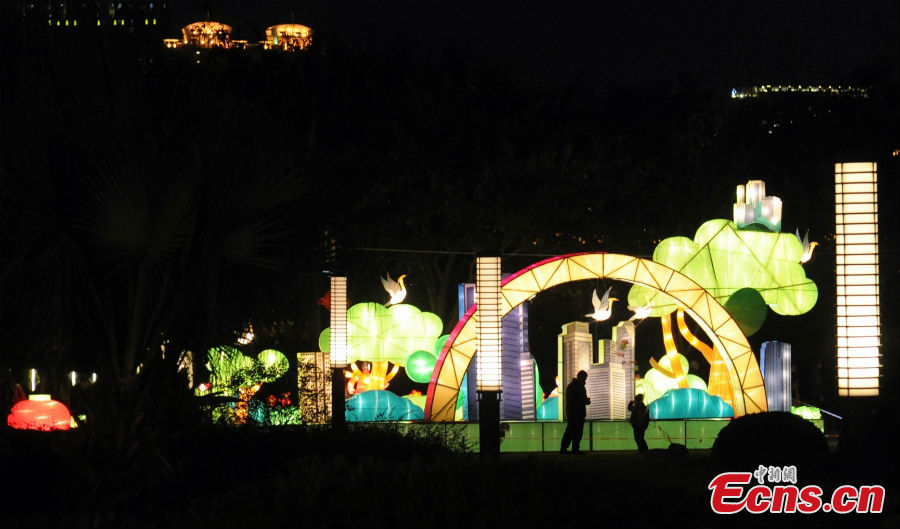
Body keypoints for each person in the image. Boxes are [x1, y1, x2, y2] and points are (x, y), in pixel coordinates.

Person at [560, 370, 590, 454]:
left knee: (571, 431)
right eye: (584, 378)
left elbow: (574, 400)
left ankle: (566, 449)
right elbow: (576, 400)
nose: (585, 380)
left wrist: (584, 401)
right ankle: (573, 449)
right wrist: (585, 401)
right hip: (576, 413)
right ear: (580, 377)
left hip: (574, 413)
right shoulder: (577, 387)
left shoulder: (572, 386)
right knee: (575, 432)